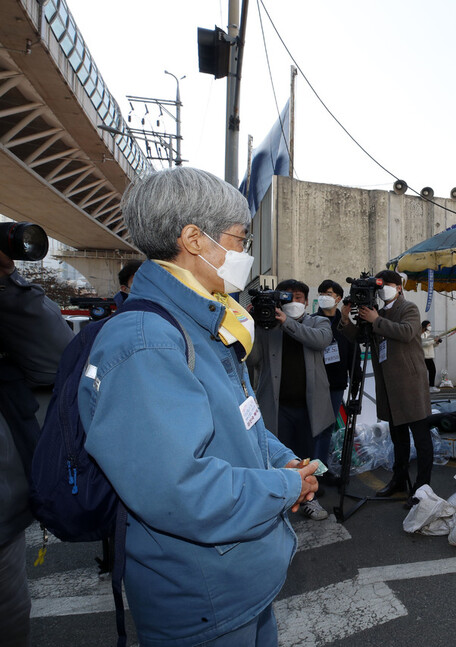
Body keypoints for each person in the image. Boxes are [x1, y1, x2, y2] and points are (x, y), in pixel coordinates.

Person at [78, 167, 319, 646]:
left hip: (237, 583)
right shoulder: (149, 342)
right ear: (193, 238)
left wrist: (279, 458)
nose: (245, 256)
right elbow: (180, 491)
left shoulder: (200, 322)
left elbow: (240, 418)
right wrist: (283, 485)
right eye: (239, 239)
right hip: (203, 598)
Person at [0, 248, 73, 647]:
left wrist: (9, 283)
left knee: (11, 628)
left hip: (3, 523)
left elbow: (56, 360)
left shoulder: (9, 296)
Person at [339, 270, 433, 498]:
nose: (384, 289)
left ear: (399, 287)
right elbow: (360, 337)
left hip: (409, 384)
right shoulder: (376, 311)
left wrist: (376, 320)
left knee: (421, 439)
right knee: (398, 438)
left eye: (389, 285)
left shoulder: (408, 308)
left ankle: (422, 488)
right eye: (381, 286)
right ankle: (398, 481)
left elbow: (407, 332)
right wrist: (346, 320)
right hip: (389, 385)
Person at [249, 279, 335, 521]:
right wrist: (250, 325)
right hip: (278, 406)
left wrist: (286, 323)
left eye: (298, 298)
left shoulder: (318, 321)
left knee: (306, 457)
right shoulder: (267, 327)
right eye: (288, 297)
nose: (294, 302)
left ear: (307, 302)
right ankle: (279, 505)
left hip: (309, 406)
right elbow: (253, 359)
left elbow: (320, 340)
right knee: (279, 458)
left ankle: (310, 499)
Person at [315, 279, 356, 479]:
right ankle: (314, 470)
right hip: (315, 384)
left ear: (338, 298)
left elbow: (353, 357)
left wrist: (354, 387)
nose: (324, 296)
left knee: (328, 429)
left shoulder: (345, 324)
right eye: (321, 293)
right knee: (315, 428)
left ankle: (322, 467)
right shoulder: (312, 321)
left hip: (336, 383)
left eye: (329, 293)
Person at [421, 320, 442, 392]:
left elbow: (431, 345)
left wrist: (436, 342)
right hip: (425, 356)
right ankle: (431, 387)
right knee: (431, 370)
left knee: (431, 371)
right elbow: (425, 344)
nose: (430, 327)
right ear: (425, 326)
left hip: (429, 356)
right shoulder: (422, 334)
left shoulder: (429, 334)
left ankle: (430, 386)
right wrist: (434, 340)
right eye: (429, 325)